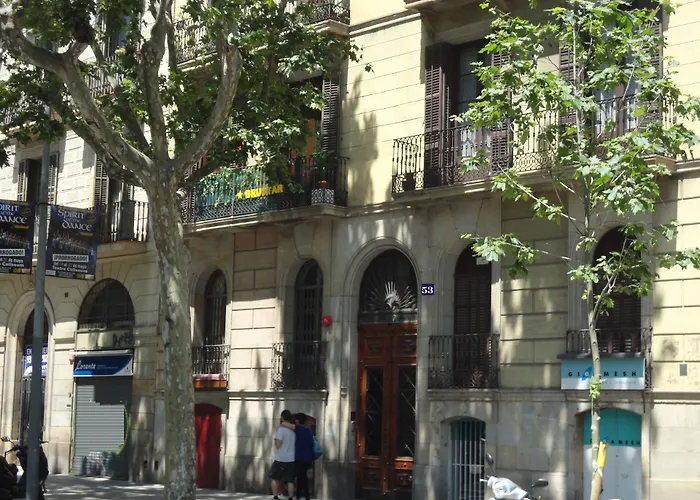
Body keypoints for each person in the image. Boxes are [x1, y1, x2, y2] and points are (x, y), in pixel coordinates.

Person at [281, 413, 314, 500]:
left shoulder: (298, 428)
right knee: (300, 477)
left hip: (300, 458)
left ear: (298, 420)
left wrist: (283, 421)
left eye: (295, 420)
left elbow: (284, 424)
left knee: (303, 478)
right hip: (308, 458)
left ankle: (307, 496)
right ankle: (298, 496)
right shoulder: (309, 431)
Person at [269, 410, 296, 500]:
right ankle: (290, 497)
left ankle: (275, 495)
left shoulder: (281, 430)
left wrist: (275, 441)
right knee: (290, 480)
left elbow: (278, 445)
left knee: (275, 477)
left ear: (282, 418)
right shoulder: (293, 430)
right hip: (291, 458)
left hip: (281, 458)